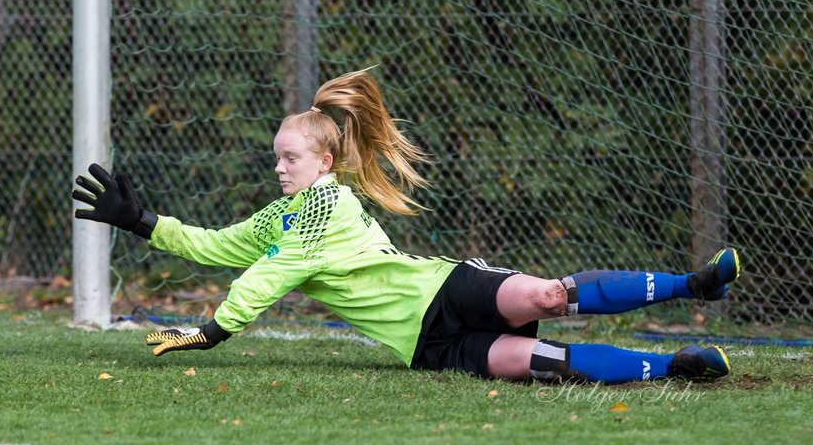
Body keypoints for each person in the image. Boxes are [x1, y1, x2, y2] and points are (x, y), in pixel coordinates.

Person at [71, 68, 738, 384]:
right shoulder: (283, 216)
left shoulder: (324, 206)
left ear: (324, 162)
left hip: (445, 289)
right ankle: (674, 366)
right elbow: (218, 246)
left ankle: (695, 284)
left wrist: (213, 331)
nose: (278, 167)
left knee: (546, 296)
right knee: (542, 362)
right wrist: (144, 222)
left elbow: (271, 274)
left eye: (290, 157)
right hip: (421, 345)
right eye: (276, 157)